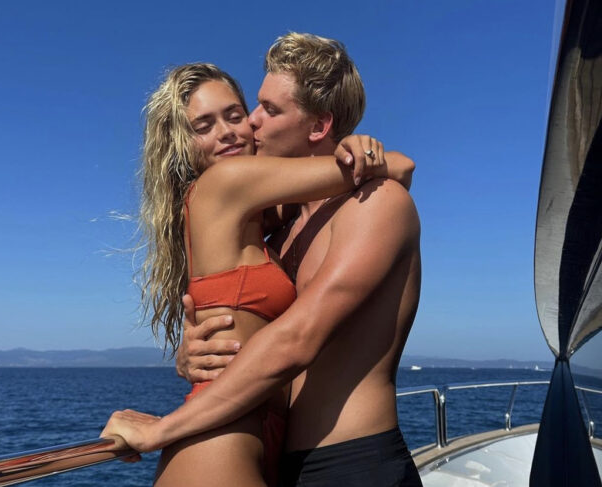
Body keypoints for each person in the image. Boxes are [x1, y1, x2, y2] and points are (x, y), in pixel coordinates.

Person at [101, 60, 414, 487]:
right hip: (224, 443)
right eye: (203, 126)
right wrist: (370, 154)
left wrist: (188, 355)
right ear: (183, 145)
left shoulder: (272, 225)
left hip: (259, 437)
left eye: (236, 115)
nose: (232, 130)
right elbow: (397, 166)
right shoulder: (227, 181)